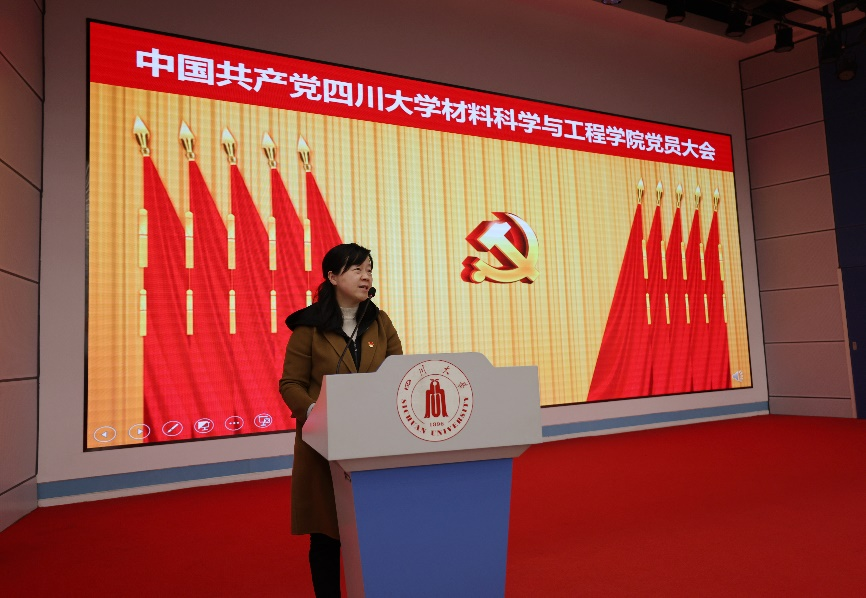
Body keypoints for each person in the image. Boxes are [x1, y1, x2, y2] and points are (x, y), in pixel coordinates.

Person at [279, 243, 402, 597]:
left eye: (369, 270)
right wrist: (314, 412)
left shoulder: (379, 321)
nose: (366, 277)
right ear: (332, 277)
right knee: (326, 534)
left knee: (373, 528)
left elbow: (398, 373)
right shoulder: (309, 327)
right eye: (357, 270)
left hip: (373, 442)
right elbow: (291, 384)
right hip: (324, 443)